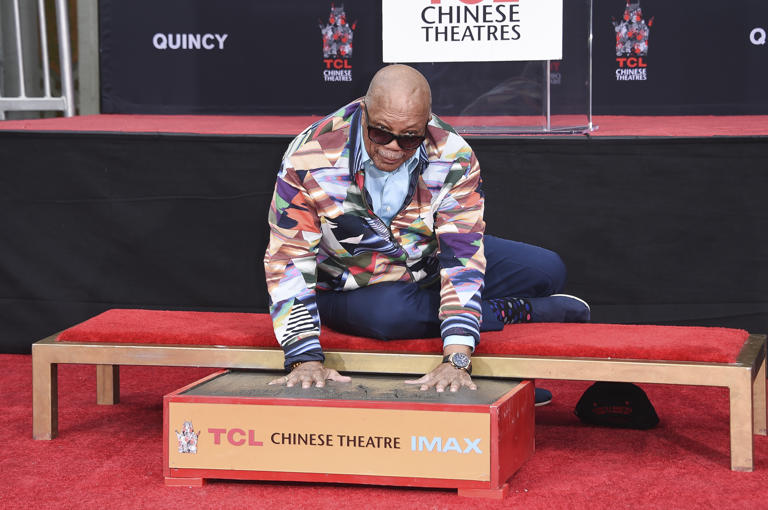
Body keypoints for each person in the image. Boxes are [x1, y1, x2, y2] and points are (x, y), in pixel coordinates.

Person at [264, 64, 589, 399]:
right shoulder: (310, 155)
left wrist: (457, 358)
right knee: (389, 314)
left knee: (548, 270)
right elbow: (289, 258)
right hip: (350, 284)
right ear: (363, 110)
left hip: (425, 262)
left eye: (410, 137)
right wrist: (303, 355)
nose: (393, 146)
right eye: (380, 132)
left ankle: (469, 312)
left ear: (426, 122)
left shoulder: (452, 154)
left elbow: (461, 256)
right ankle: (513, 310)